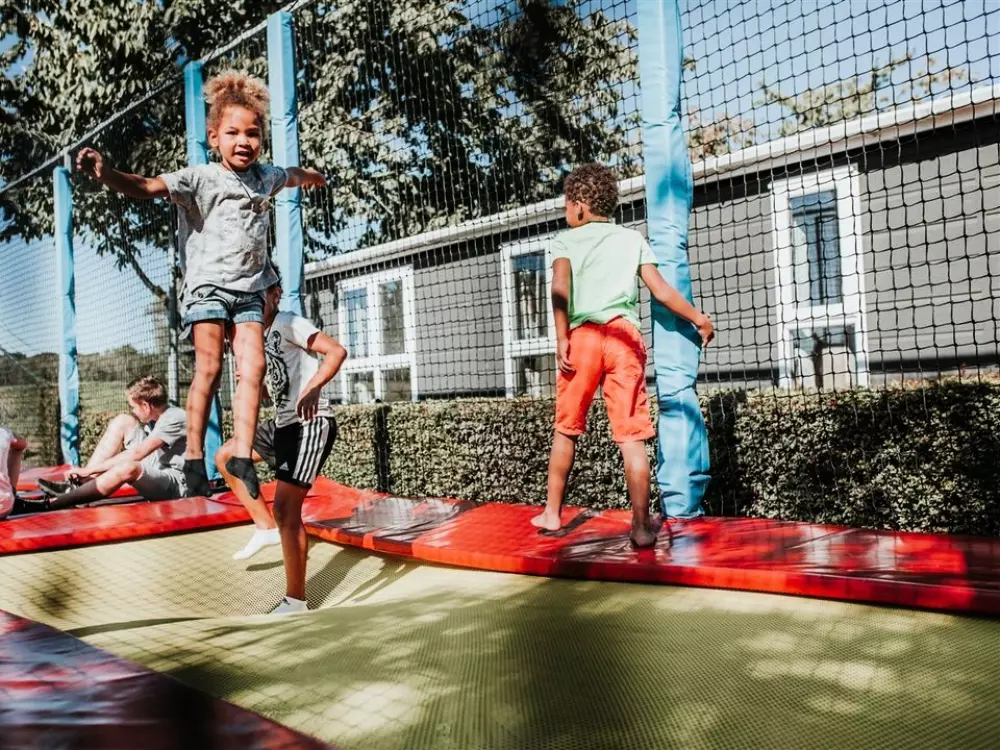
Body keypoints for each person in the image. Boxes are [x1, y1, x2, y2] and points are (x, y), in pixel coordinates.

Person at [75, 70, 326, 503]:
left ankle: (242, 454)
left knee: (254, 367)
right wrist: (107, 173)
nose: (244, 141)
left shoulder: (265, 177)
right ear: (214, 138)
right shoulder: (200, 178)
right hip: (208, 287)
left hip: (251, 289)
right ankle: (194, 457)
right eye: (233, 133)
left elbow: (291, 174)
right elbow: (147, 186)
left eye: (252, 134)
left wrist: (312, 176)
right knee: (209, 368)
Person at [530, 163, 715, 547]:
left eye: (566, 204)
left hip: (582, 338)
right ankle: (642, 526)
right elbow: (661, 291)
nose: (566, 211)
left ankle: (551, 513)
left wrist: (561, 337)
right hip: (624, 339)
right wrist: (698, 318)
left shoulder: (565, 241)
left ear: (579, 206)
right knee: (632, 437)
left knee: (566, 429)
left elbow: (560, 288)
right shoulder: (632, 239)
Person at [217, 272, 346, 614]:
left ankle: (296, 601)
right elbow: (272, 387)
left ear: (275, 294)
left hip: (309, 422)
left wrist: (314, 388)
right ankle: (265, 529)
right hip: (282, 424)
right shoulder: (256, 336)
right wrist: (254, 384)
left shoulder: (289, 322)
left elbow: (336, 351)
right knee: (227, 456)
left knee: (287, 510)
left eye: (257, 295)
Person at [37, 376, 188, 509]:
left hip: (177, 486)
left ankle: (53, 504)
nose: (133, 411)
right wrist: (90, 472)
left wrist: (89, 470)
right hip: (160, 467)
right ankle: (80, 486)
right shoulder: (157, 416)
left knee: (129, 467)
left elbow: (137, 453)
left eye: (133, 407)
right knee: (123, 421)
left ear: (146, 406)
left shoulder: (173, 419)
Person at [0, 427, 27, 520]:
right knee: (17, 449)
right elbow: (22, 445)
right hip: (5, 506)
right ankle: (12, 493)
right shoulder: (4, 433)